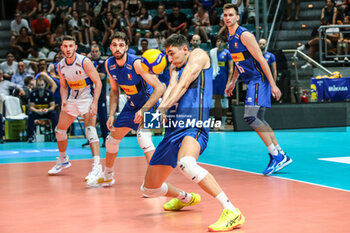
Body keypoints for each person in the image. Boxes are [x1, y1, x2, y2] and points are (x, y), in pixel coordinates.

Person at [141, 34, 245, 232]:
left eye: (172, 53)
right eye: (166, 54)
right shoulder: (173, 67)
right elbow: (172, 87)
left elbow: (183, 85)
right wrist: (156, 114)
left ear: (185, 49)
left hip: (193, 124)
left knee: (186, 163)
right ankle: (186, 198)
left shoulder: (199, 55)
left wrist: (161, 110)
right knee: (149, 189)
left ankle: (231, 211)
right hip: (172, 130)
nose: (169, 59)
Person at [86, 32, 165, 187]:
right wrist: (111, 115)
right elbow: (114, 91)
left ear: (126, 48)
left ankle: (156, 182)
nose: (117, 48)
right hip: (131, 105)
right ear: (110, 47)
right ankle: (108, 176)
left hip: (151, 104)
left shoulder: (136, 63)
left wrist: (144, 110)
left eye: (121, 45)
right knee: (111, 141)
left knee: (143, 137)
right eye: (114, 45)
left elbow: (160, 88)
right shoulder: (109, 64)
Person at [223, 3, 292, 175]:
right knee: (259, 117)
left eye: (231, 15)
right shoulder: (230, 38)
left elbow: (261, 60)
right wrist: (232, 82)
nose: (228, 18)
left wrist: (273, 84)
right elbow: (239, 63)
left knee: (250, 117)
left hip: (258, 80)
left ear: (237, 17)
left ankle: (276, 156)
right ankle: (280, 153)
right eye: (225, 15)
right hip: (251, 80)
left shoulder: (244, 35)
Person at [47, 36, 103, 186]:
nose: (68, 49)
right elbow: (64, 86)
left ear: (75, 47)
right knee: (59, 130)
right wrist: (64, 100)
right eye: (65, 46)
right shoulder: (60, 65)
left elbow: (98, 82)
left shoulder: (84, 62)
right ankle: (63, 160)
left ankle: (97, 167)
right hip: (72, 99)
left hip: (87, 98)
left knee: (90, 130)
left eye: (70, 46)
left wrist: (95, 103)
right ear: (61, 48)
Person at [81, 45, 109, 148]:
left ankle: (105, 139)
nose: (94, 53)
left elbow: (102, 76)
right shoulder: (87, 62)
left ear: (100, 53)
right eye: (92, 51)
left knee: (102, 118)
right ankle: (90, 139)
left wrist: (90, 74)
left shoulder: (103, 63)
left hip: (100, 96)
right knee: (89, 119)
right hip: (89, 95)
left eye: (96, 51)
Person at [210, 36, 233, 130]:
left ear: (225, 43)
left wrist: (229, 83)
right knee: (212, 102)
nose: (219, 43)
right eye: (218, 41)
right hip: (213, 80)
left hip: (223, 81)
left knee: (224, 101)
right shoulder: (212, 53)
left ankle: (222, 124)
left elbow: (231, 69)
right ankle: (211, 123)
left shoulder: (227, 53)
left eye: (221, 41)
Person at [26, 78, 58, 143]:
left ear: (45, 85)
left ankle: (56, 136)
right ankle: (30, 136)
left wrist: (47, 110)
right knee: (30, 115)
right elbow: (31, 107)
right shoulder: (33, 93)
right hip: (37, 112)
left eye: (42, 85)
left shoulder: (49, 93)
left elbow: (52, 106)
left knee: (54, 114)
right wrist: (37, 111)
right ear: (36, 86)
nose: (40, 87)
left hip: (46, 112)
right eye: (39, 85)